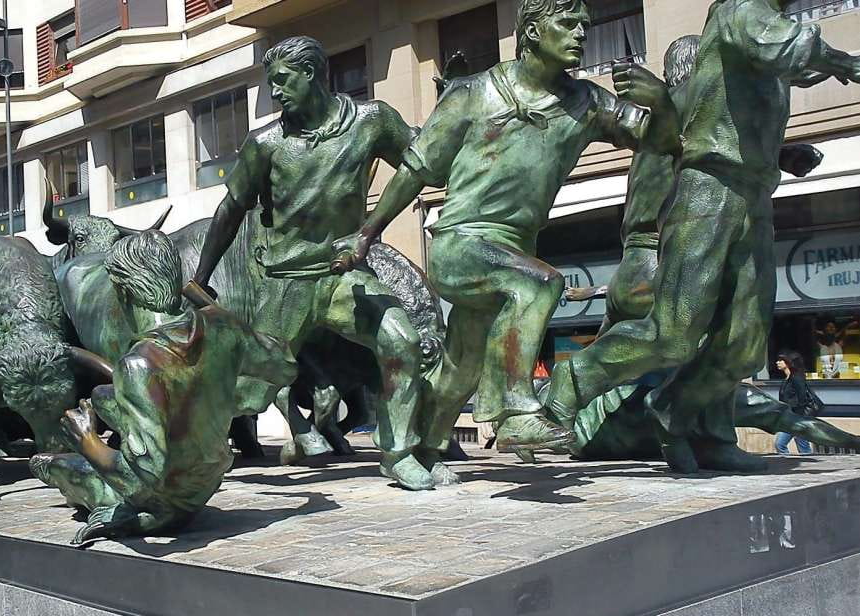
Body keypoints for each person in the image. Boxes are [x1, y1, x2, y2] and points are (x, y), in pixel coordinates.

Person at [330, 0, 680, 473]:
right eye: (568, 23)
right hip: (460, 243)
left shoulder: (588, 102)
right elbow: (415, 169)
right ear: (533, 31)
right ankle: (517, 411)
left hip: (513, 253)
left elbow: (659, 139)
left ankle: (419, 449)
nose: (581, 33)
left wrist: (661, 103)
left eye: (585, 25)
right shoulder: (475, 94)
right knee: (539, 283)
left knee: (460, 370)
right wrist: (366, 236)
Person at [546, 0, 860, 473]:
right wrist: (847, 62)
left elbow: (783, 78)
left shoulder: (754, 69)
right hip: (706, 194)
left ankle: (688, 420)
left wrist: (779, 155)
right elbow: (790, 50)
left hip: (753, 196)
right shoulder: (742, 12)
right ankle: (574, 381)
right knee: (676, 334)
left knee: (743, 341)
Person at [188, 36, 436, 490]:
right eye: (271, 84)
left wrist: (370, 229)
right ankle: (187, 450)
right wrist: (200, 279)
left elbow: (422, 165)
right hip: (286, 284)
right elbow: (230, 210)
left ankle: (399, 452)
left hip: (347, 277)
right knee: (249, 388)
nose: (275, 92)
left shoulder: (371, 121)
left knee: (401, 342)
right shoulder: (265, 144)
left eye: (282, 81)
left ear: (313, 74)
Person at [31, 231, 298, 544]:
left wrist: (87, 439)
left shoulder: (139, 365)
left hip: (165, 503)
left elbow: (141, 482)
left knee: (48, 464)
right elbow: (286, 367)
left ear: (123, 293)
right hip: (207, 480)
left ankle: (83, 484)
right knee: (103, 397)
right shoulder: (223, 326)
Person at [774, 352, 814, 454]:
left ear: (787, 363)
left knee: (780, 444)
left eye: (780, 360)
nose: (777, 362)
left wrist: (797, 417)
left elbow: (803, 398)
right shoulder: (787, 379)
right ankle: (808, 463)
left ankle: (787, 463)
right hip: (789, 416)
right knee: (802, 442)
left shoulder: (796, 378)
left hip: (795, 417)